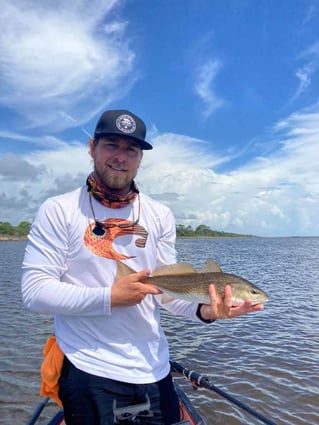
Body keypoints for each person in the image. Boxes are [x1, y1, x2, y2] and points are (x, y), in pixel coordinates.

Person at [21, 109, 263, 425]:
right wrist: (110, 297)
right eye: (111, 145)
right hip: (89, 367)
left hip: (153, 367)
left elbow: (167, 293)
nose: (121, 157)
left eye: (131, 149)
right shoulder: (58, 210)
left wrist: (206, 311)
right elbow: (34, 292)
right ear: (92, 148)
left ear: (140, 159)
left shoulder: (160, 214)